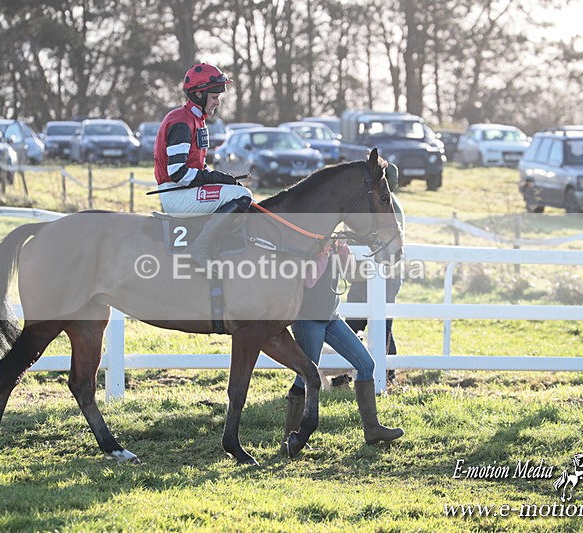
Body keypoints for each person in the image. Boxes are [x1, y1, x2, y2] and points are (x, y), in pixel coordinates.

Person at [282, 237, 404, 447]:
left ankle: (372, 429)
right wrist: (324, 253)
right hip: (308, 319)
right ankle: (290, 437)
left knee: (366, 364)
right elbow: (309, 281)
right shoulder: (309, 246)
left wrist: (342, 249)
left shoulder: (334, 246)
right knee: (306, 375)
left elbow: (349, 272)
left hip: (331, 316)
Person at [153, 63, 253, 267]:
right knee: (243, 196)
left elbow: (197, 168)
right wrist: (214, 177)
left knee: (236, 190)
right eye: (214, 97)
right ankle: (200, 249)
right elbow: (178, 173)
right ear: (199, 94)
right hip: (176, 195)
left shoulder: (195, 120)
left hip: (183, 191)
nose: (218, 102)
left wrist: (217, 177)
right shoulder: (182, 122)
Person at [344, 163, 405, 358]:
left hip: (384, 276)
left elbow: (378, 238)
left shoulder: (387, 205)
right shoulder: (371, 203)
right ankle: (349, 369)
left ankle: (386, 369)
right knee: (354, 326)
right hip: (363, 275)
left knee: (380, 327)